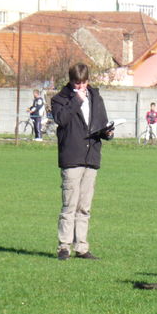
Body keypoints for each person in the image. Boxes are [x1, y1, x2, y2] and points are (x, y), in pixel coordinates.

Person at [50, 63, 114, 261]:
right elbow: (61, 119)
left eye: (84, 82)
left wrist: (108, 133)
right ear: (70, 81)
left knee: (84, 206)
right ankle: (64, 246)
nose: (81, 86)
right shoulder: (60, 99)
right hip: (71, 156)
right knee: (69, 204)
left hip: (91, 157)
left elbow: (101, 122)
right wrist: (77, 100)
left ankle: (82, 247)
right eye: (77, 83)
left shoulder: (95, 96)